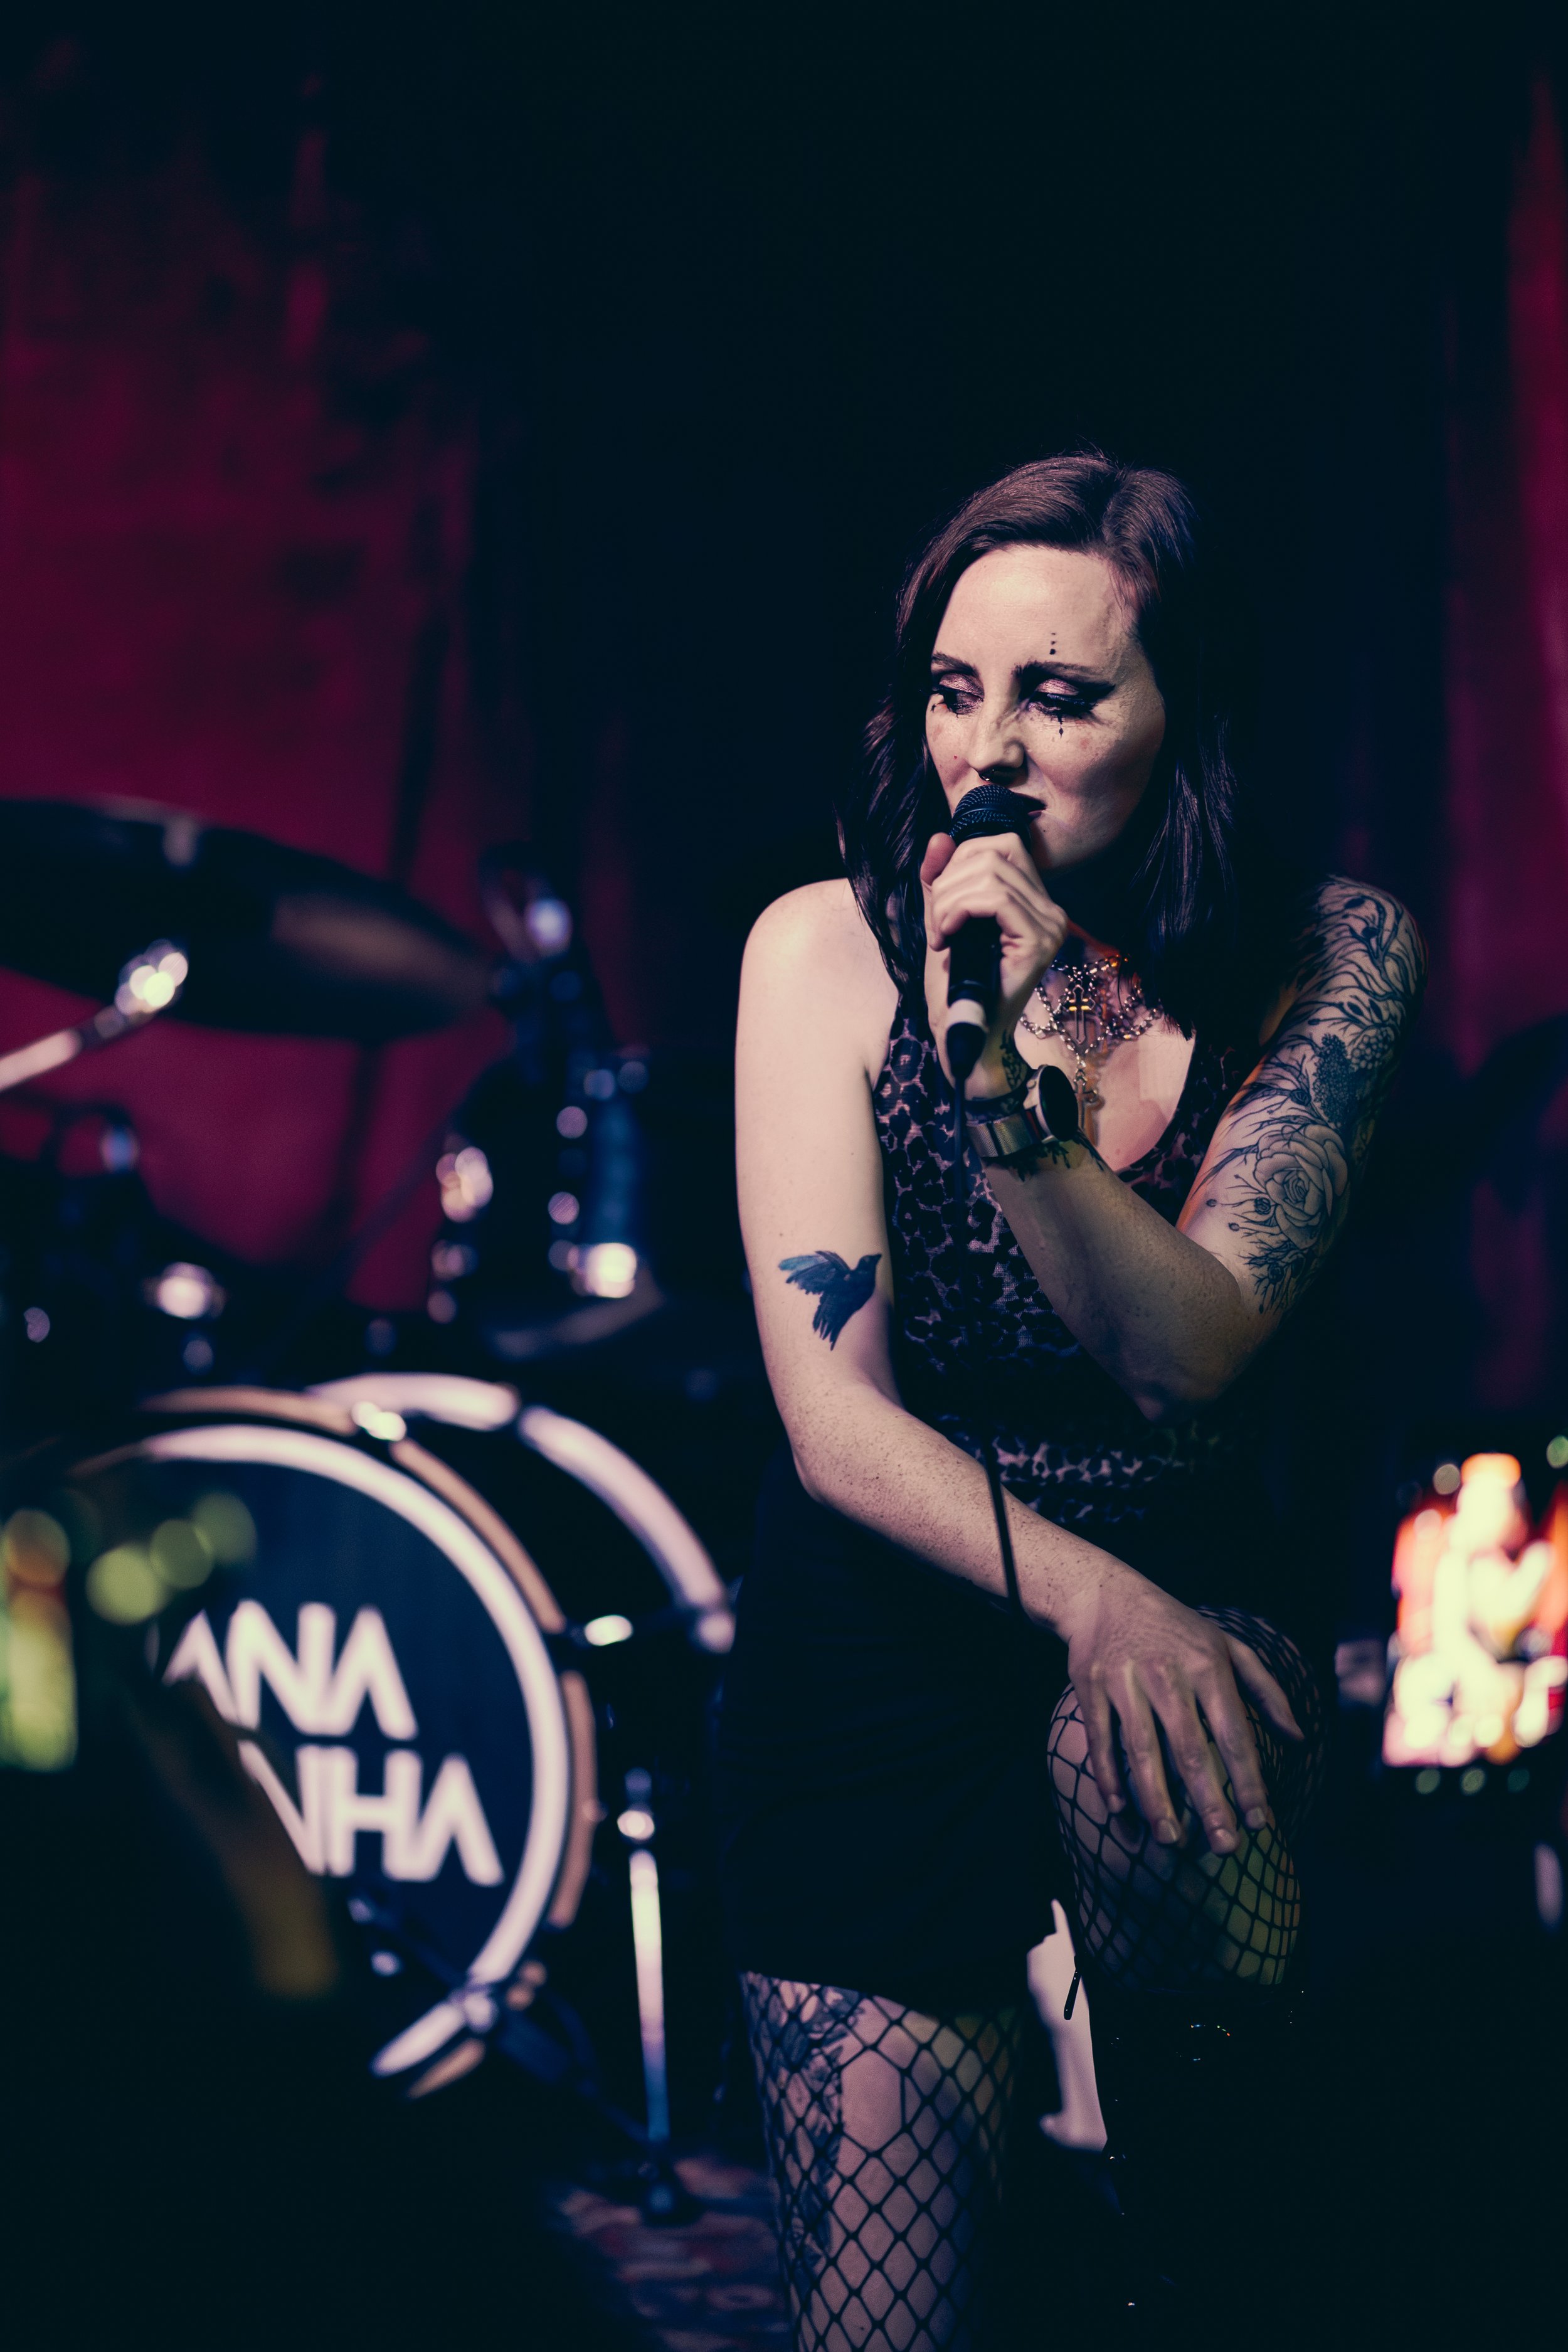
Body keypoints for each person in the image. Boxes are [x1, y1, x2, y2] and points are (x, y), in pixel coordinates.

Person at [714, 452, 1426, 2348]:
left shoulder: (1327, 956)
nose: (990, 753)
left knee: (1227, 2267)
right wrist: (1095, 1606)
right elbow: (834, 1422)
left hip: (1185, 1578)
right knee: (889, 2320)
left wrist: (1007, 1103)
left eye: (1060, 696)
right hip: (893, 1602)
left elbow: (1185, 1355)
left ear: (1187, 713)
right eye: (956, 692)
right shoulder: (822, 948)